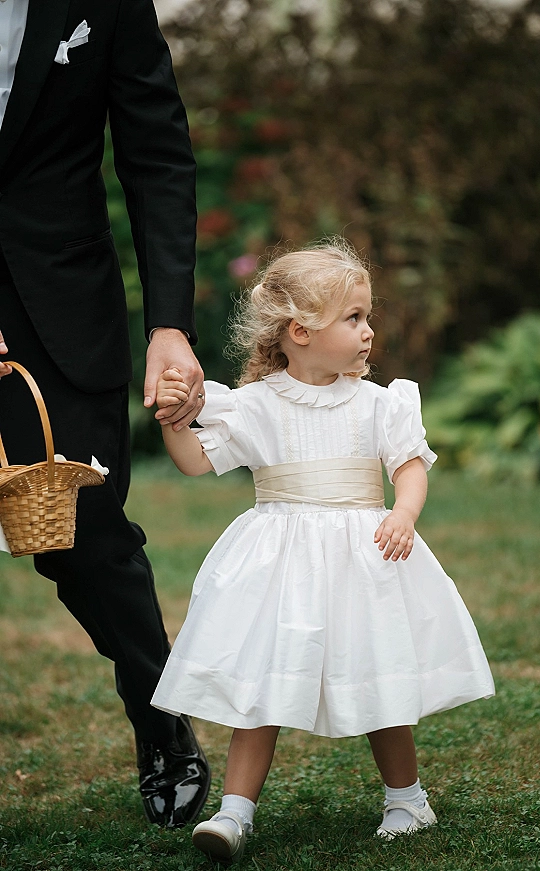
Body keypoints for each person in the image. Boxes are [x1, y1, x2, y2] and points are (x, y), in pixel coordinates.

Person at [149, 240, 496, 862]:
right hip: (281, 564)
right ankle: (234, 814)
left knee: (380, 676)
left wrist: (403, 511)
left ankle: (406, 798)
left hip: (366, 558)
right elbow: (198, 463)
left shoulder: (379, 402)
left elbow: (411, 466)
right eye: (354, 318)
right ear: (300, 331)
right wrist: (177, 423)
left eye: (367, 316)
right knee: (264, 687)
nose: (369, 331)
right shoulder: (255, 403)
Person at [0, 0, 210, 827]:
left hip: (60, 300)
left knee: (82, 529)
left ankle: (158, 712)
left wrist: (169, 323)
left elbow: (157, 155)